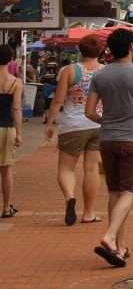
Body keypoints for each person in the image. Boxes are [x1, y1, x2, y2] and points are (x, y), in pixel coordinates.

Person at [85, 28, 133, 267]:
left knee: (115, 191)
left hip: (107, 139)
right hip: (132, 138)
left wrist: (107, 122)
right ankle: (110, 235)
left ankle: (118, 247)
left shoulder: (101, 75)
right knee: (130, 191)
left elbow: (89, 111)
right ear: (132, 47)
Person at [45, 34, 104, 225]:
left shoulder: (69, 71)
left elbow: (58, 100)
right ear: (101, 51)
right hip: (98, 123)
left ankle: (70, 197)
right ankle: (89, 213)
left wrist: (50, 123)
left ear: (80, 50)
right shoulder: (106, 72)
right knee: (92, 169)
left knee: (66, 169)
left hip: (73, 125)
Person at [0, 46, 22, 219]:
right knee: (6, 170)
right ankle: (6, 207)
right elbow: (16, 109)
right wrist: (19, 133)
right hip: (7, 128)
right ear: (10, 60)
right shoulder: (15, 82)